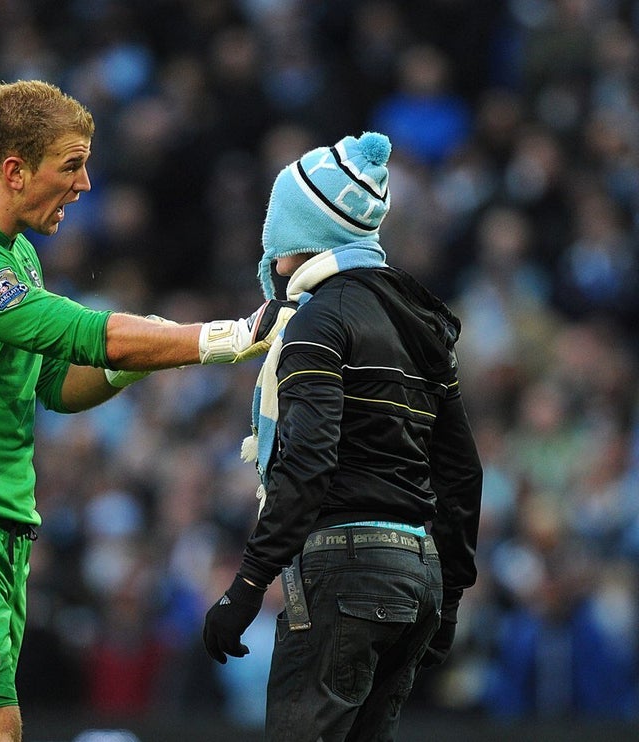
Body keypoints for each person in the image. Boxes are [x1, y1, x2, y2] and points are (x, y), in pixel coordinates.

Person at [0, 79, 294, 742]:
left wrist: (134, 361)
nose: (86, 184)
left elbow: (56, 386)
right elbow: (80, 331)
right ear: (15, 170)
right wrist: (227, 337)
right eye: (71, 165)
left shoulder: (17, 258)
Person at [201, 131, 483, 741]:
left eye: (275, 238)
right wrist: (451, 593)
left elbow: (308, 464)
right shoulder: (421, 323)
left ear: (299, 237)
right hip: (419, 574)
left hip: (345, 569)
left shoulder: (315, 324)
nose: (270, 258)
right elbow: (462, 472)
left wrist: (247, 588)